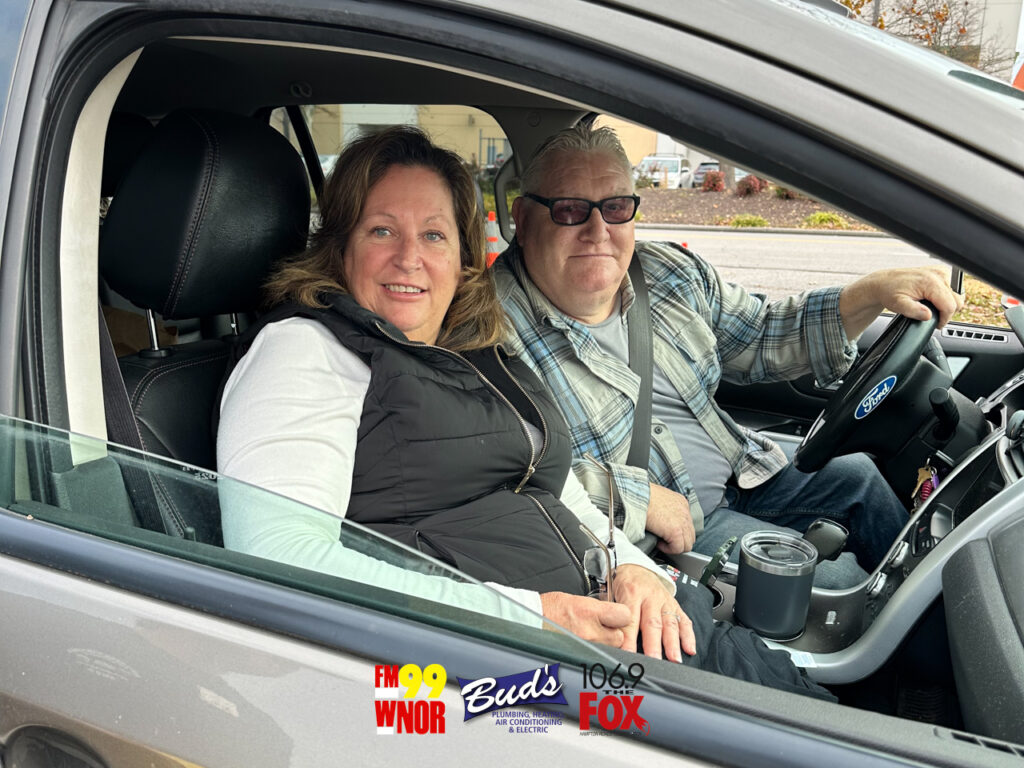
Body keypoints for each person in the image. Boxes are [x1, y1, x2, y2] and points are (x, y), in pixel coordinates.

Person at [216, 125, 696, 663]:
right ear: (341, 247)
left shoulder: (474, 348)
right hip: (494, 673)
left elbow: (559, 493)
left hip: (618, 634)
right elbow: (279, 557)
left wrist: (634, 570)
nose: (409, 258)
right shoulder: (304, 348)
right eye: (381, 231)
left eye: (433, 235)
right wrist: (533, 619)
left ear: (463, 257)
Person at [493, 124, 964, 589]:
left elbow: (763, 334)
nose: (598, 231)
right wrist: (633, 497)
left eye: (615, 207)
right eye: (570, 210)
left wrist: (873, 292)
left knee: (860, 478)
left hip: (743, 468)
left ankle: (942, 605)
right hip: (660, 541)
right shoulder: (488, 329)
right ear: (523, 219)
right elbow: (492, 478)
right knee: (835, 583)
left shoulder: (668, 273)